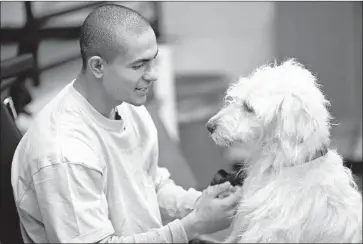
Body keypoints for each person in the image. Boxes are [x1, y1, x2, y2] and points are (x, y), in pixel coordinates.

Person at [11, 4, 242, 243]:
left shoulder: (128, 107)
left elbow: (153, 188)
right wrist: (193, 226)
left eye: (152, 61)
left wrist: (198, 204)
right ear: (98, 66)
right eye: (138, 65)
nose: (153, 74)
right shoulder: (64, 152)